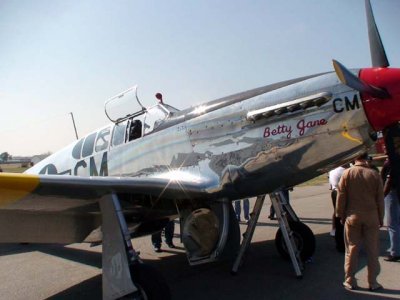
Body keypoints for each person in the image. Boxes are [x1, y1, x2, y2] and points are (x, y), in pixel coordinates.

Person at [336, 153, 384, 291]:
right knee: (372, 250)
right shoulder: (374, 174)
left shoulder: (347, 173)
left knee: (351, 249)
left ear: (355, 158)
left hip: (353, 216)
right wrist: (381, 217)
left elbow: (341, 196)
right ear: (366, 158)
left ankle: (350, 280)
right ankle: (373, 282)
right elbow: (380, 199)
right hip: (371, 216)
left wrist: (340, 214)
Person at [381, 159, 400, 261]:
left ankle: (395, 252)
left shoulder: (392, 161)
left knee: (392, 224)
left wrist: (382, 196)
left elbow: (389, 181)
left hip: (392, 192)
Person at [329, 165, 347, 237]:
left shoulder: (332, 170)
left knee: (336, 211)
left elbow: (330, 186)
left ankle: (334, 229)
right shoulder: (345, 171)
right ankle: (342, 230)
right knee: (343, 212)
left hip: (334, 192)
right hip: (341, 192)